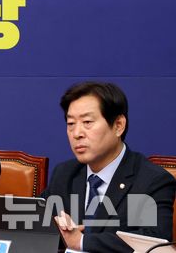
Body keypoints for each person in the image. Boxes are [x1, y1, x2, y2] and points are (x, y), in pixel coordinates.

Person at [42, 82, 175, 252]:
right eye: (71, 123)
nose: (77, 133)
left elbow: (155, 241)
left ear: (118, 125)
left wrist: (81, 241)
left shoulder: (152, 181)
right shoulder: (65, 173)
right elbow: (35, 219)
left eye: (87, 122)